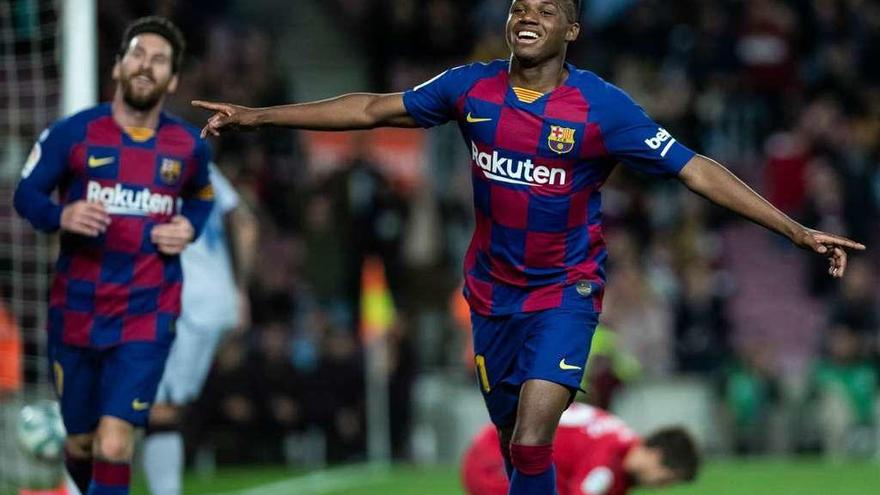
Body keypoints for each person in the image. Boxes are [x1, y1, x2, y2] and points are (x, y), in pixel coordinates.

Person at [192, 1, 865, 493]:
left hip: (564, 292)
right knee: (521, 459)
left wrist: (796, 229)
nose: (528, 14)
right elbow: (372, 109)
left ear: (571, 29)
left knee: (535, 434)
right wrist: (259, 116)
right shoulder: (471, 88)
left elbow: (693, 168)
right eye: (520, 5)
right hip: (491, 298)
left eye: (546, 8)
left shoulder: (602, 108)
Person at [13, 16, 213, 495]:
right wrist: (62, 215)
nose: (147, 66)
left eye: (159, 60)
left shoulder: (188, 145)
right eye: (138, 54)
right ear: (119, 65)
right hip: (76, 312)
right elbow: (26, 196)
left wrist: (190, 225)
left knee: (115, 443)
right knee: (81, 444)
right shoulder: (72, 134)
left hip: (148, 311)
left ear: (173, 79)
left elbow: (202, 198)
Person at [142, 164, 256, 495]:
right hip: (216, 301)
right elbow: (247, 223)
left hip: (185, 301)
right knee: (161, 406)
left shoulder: (141, 164)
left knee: (154, 407)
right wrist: (240, 290)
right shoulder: (201, 166)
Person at [462, 402, 698, 495]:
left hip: (495, 450)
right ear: (656, 455)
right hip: (494, 461)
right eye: (667, 479)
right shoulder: (608, 464)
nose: (662, 487)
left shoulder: (620, 441)